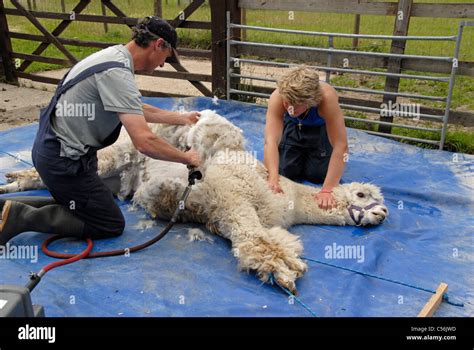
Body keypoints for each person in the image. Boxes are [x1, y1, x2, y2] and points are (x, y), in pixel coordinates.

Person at [0, 16, 201, 245]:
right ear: (158, 45)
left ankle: (6, 207)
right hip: (64, 162)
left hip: (51, 150)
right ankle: (21, 217)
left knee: (83, 205)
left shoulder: (113, 56)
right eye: (166, 57)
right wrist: (187, 157)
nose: (163, 64)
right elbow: (145, 142)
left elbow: (133, 107)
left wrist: (180, 118)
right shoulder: (117, 74)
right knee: (109, 222)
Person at [264, 65, 348, 210]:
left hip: (319, 128)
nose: (289, 107)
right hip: (294, 124)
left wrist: (327, 190)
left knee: (318, 175)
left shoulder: (326, 99)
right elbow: (270, 140)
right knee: (285, 172)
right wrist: (272, 178)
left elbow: (341, 145)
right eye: (286, 102)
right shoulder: (278, 97)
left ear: (311, 102)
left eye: (295, 105)